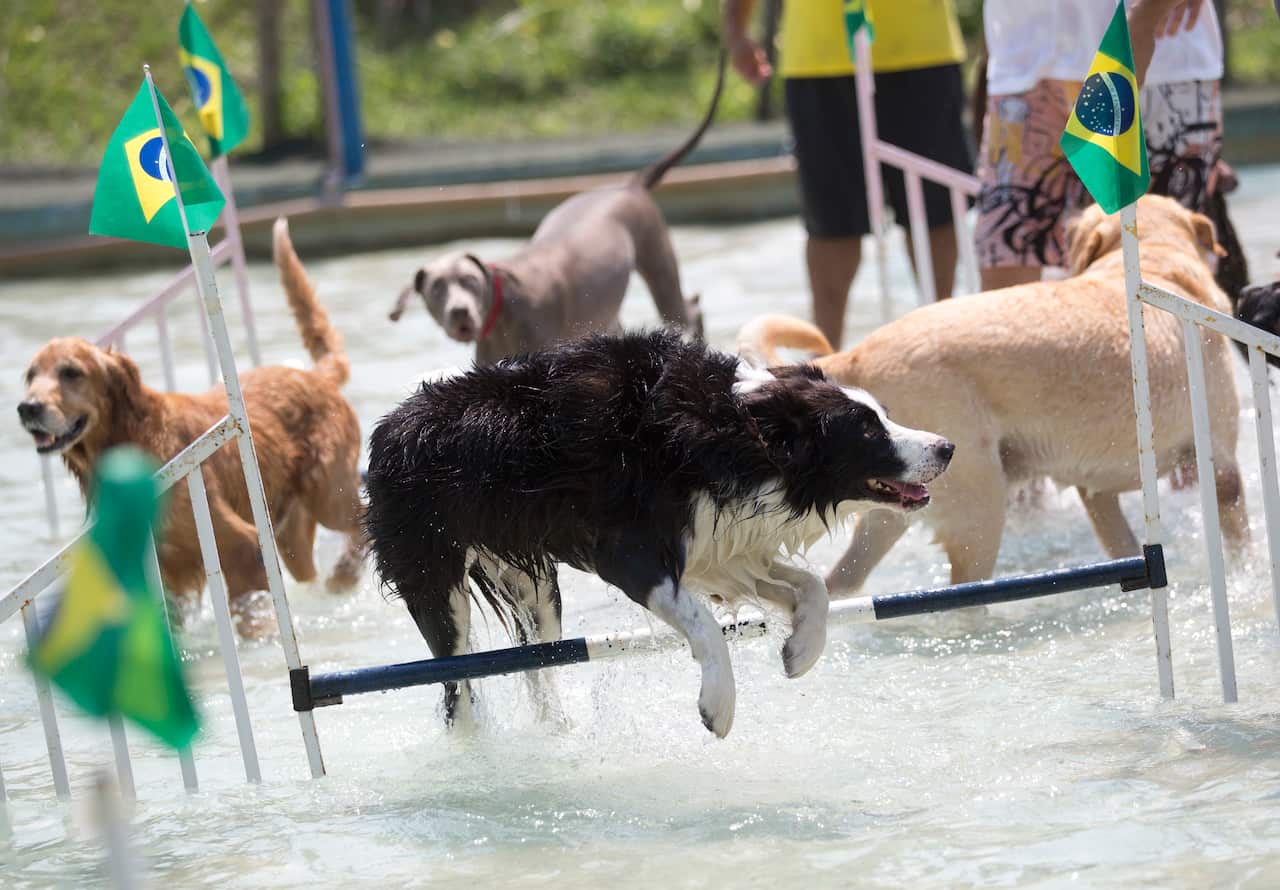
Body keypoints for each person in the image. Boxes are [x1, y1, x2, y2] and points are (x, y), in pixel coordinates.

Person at [723, 0, 973, 349]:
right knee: (830, 221)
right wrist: (736, 32)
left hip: (923, 48)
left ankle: (943, 347)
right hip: (818, 57)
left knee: (935, 210)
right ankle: (821, 365)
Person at [977, 0, 1244, 293]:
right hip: (1022, 54)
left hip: (1154, 50)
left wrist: (1146, 17)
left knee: (1171, 260)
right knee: (1005, 251)